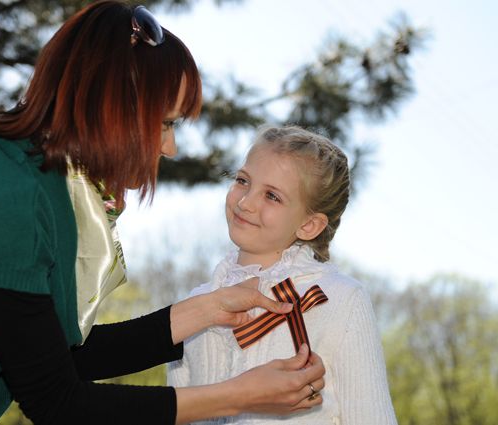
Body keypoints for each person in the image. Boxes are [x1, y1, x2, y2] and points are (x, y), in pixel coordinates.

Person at [0, 3, 327, 425]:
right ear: (114, 107)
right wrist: (236, 397)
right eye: (165, 123)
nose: (170, 147)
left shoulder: (37, 186)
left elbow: (58, 359)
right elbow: (56, 401)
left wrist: (206, 310)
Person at [168, 125, 398, 424]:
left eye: (272, 196)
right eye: (242, 180)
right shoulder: (194, 305)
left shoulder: (338, 299)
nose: (245, 202)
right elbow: (176, 410)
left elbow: (371, 417)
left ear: (309, 225)